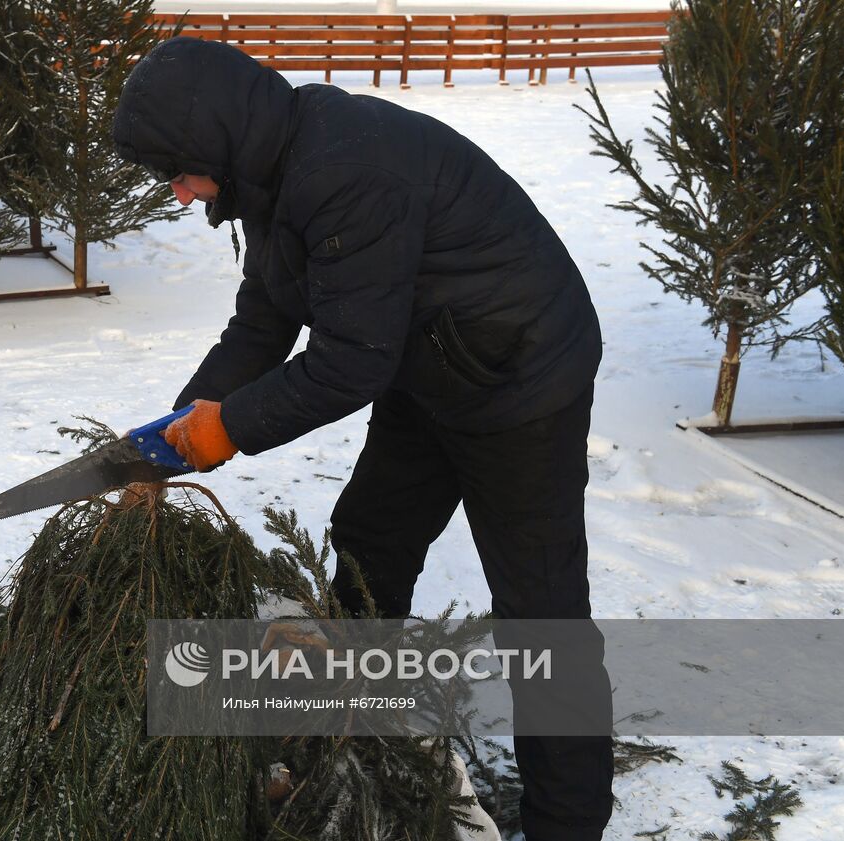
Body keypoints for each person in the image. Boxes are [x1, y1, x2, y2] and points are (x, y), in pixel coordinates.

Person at [112, 36, 613, 841]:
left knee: (540, 613)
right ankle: (349, 741)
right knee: (369, 546)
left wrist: (230, 429)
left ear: (214, 144)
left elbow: (349, 363)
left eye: (176, 173)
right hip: (428, 361)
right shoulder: (272, 173)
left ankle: (569, 822)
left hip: (520, 376)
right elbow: (266, 318)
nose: (176, 195)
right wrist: (184, 423)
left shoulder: (345, 171)